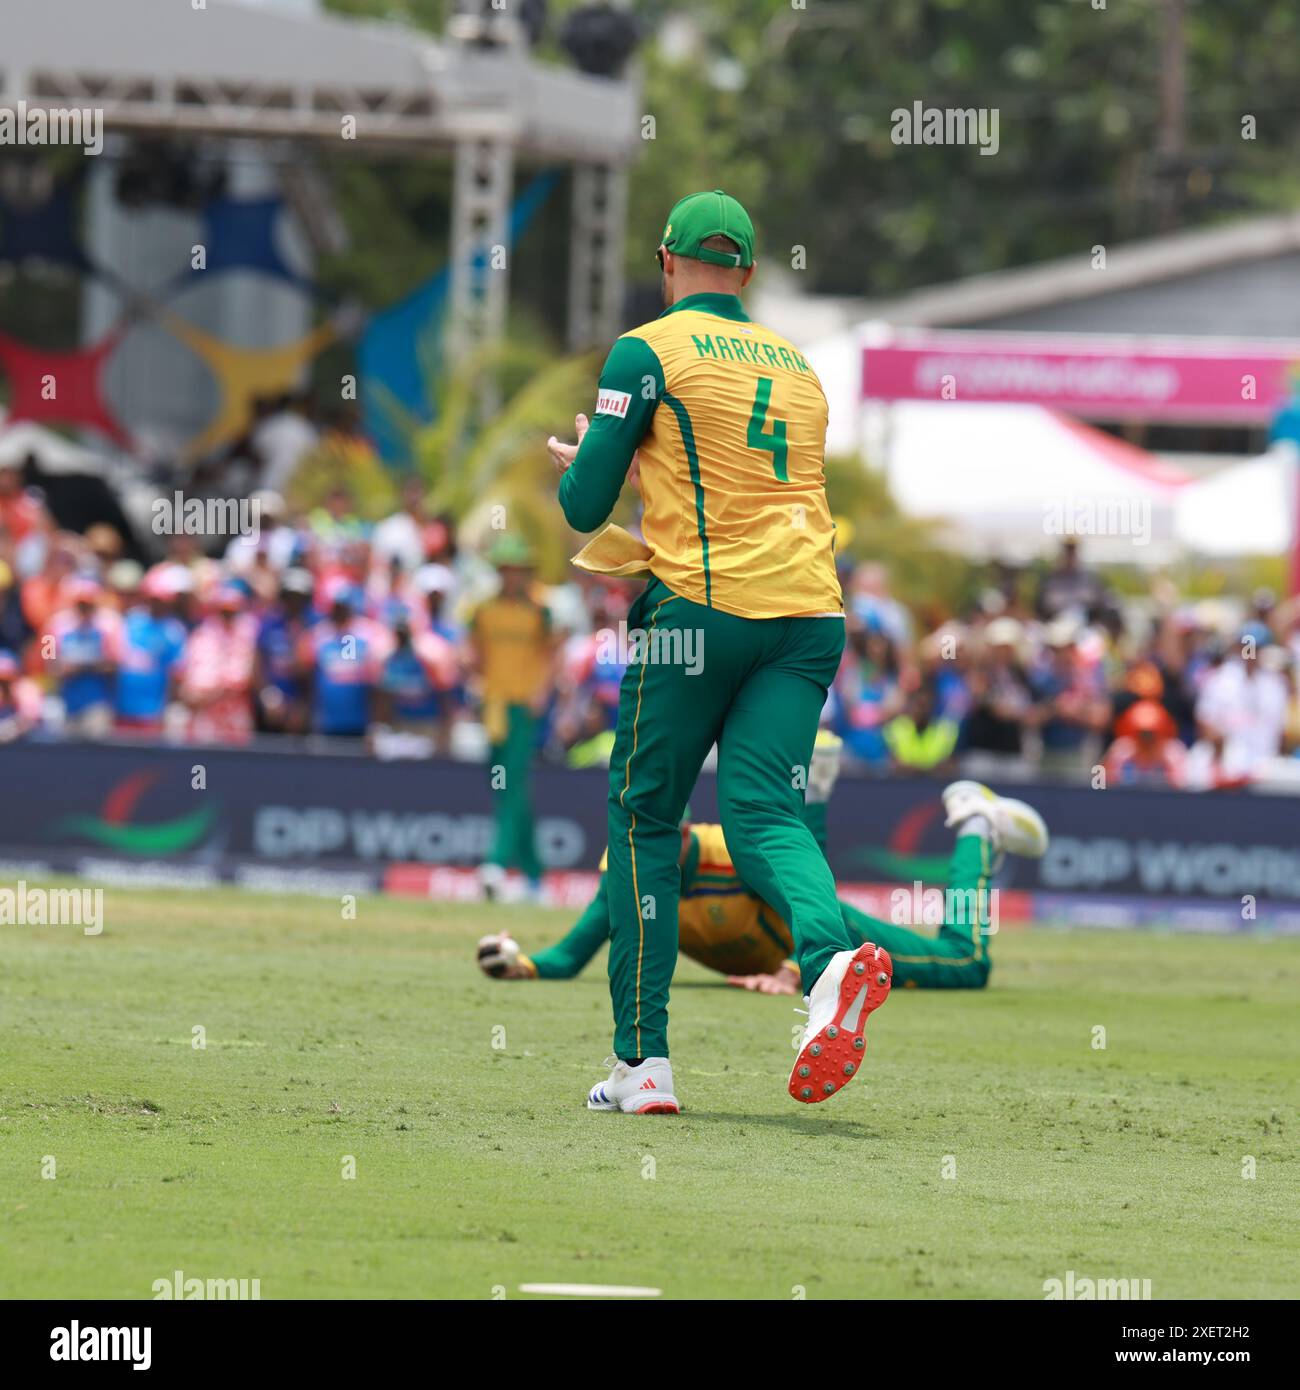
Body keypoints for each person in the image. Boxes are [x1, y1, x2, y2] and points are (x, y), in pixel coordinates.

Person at [547, 188, 884, 1114]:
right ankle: (830, 966)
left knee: (644, 819)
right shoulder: (800, 366)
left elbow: (584, 507)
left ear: (665, 263)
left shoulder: (647, 349)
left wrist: (580, 457)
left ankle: (644, 1066)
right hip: (810, 616)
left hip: (700, 613)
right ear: (747, 271)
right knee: (766, 815)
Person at [478, 747, 1049, 1013]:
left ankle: (976, 826)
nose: (650, 850)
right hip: (795, 957)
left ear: (681, 830)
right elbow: (572, 953)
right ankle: (817, 791)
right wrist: (521, 963)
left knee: (967, 963)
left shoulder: (728, 849)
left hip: (832, 937)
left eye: (662, 835)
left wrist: (794, 970)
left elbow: (809, 897)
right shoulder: (623, 867)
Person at [467, 535, 558, 900]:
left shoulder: (540, 610)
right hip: (493, 707)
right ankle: (535, 876)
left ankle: (496, 863)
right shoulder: (482, 610)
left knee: (512, 784)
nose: (513, 577)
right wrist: (474, 683)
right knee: (506, 787)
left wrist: (542, 691)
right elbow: (473, 654)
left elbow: (553, 654)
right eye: (507, 570)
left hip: (523, 707)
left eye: (519, 571)